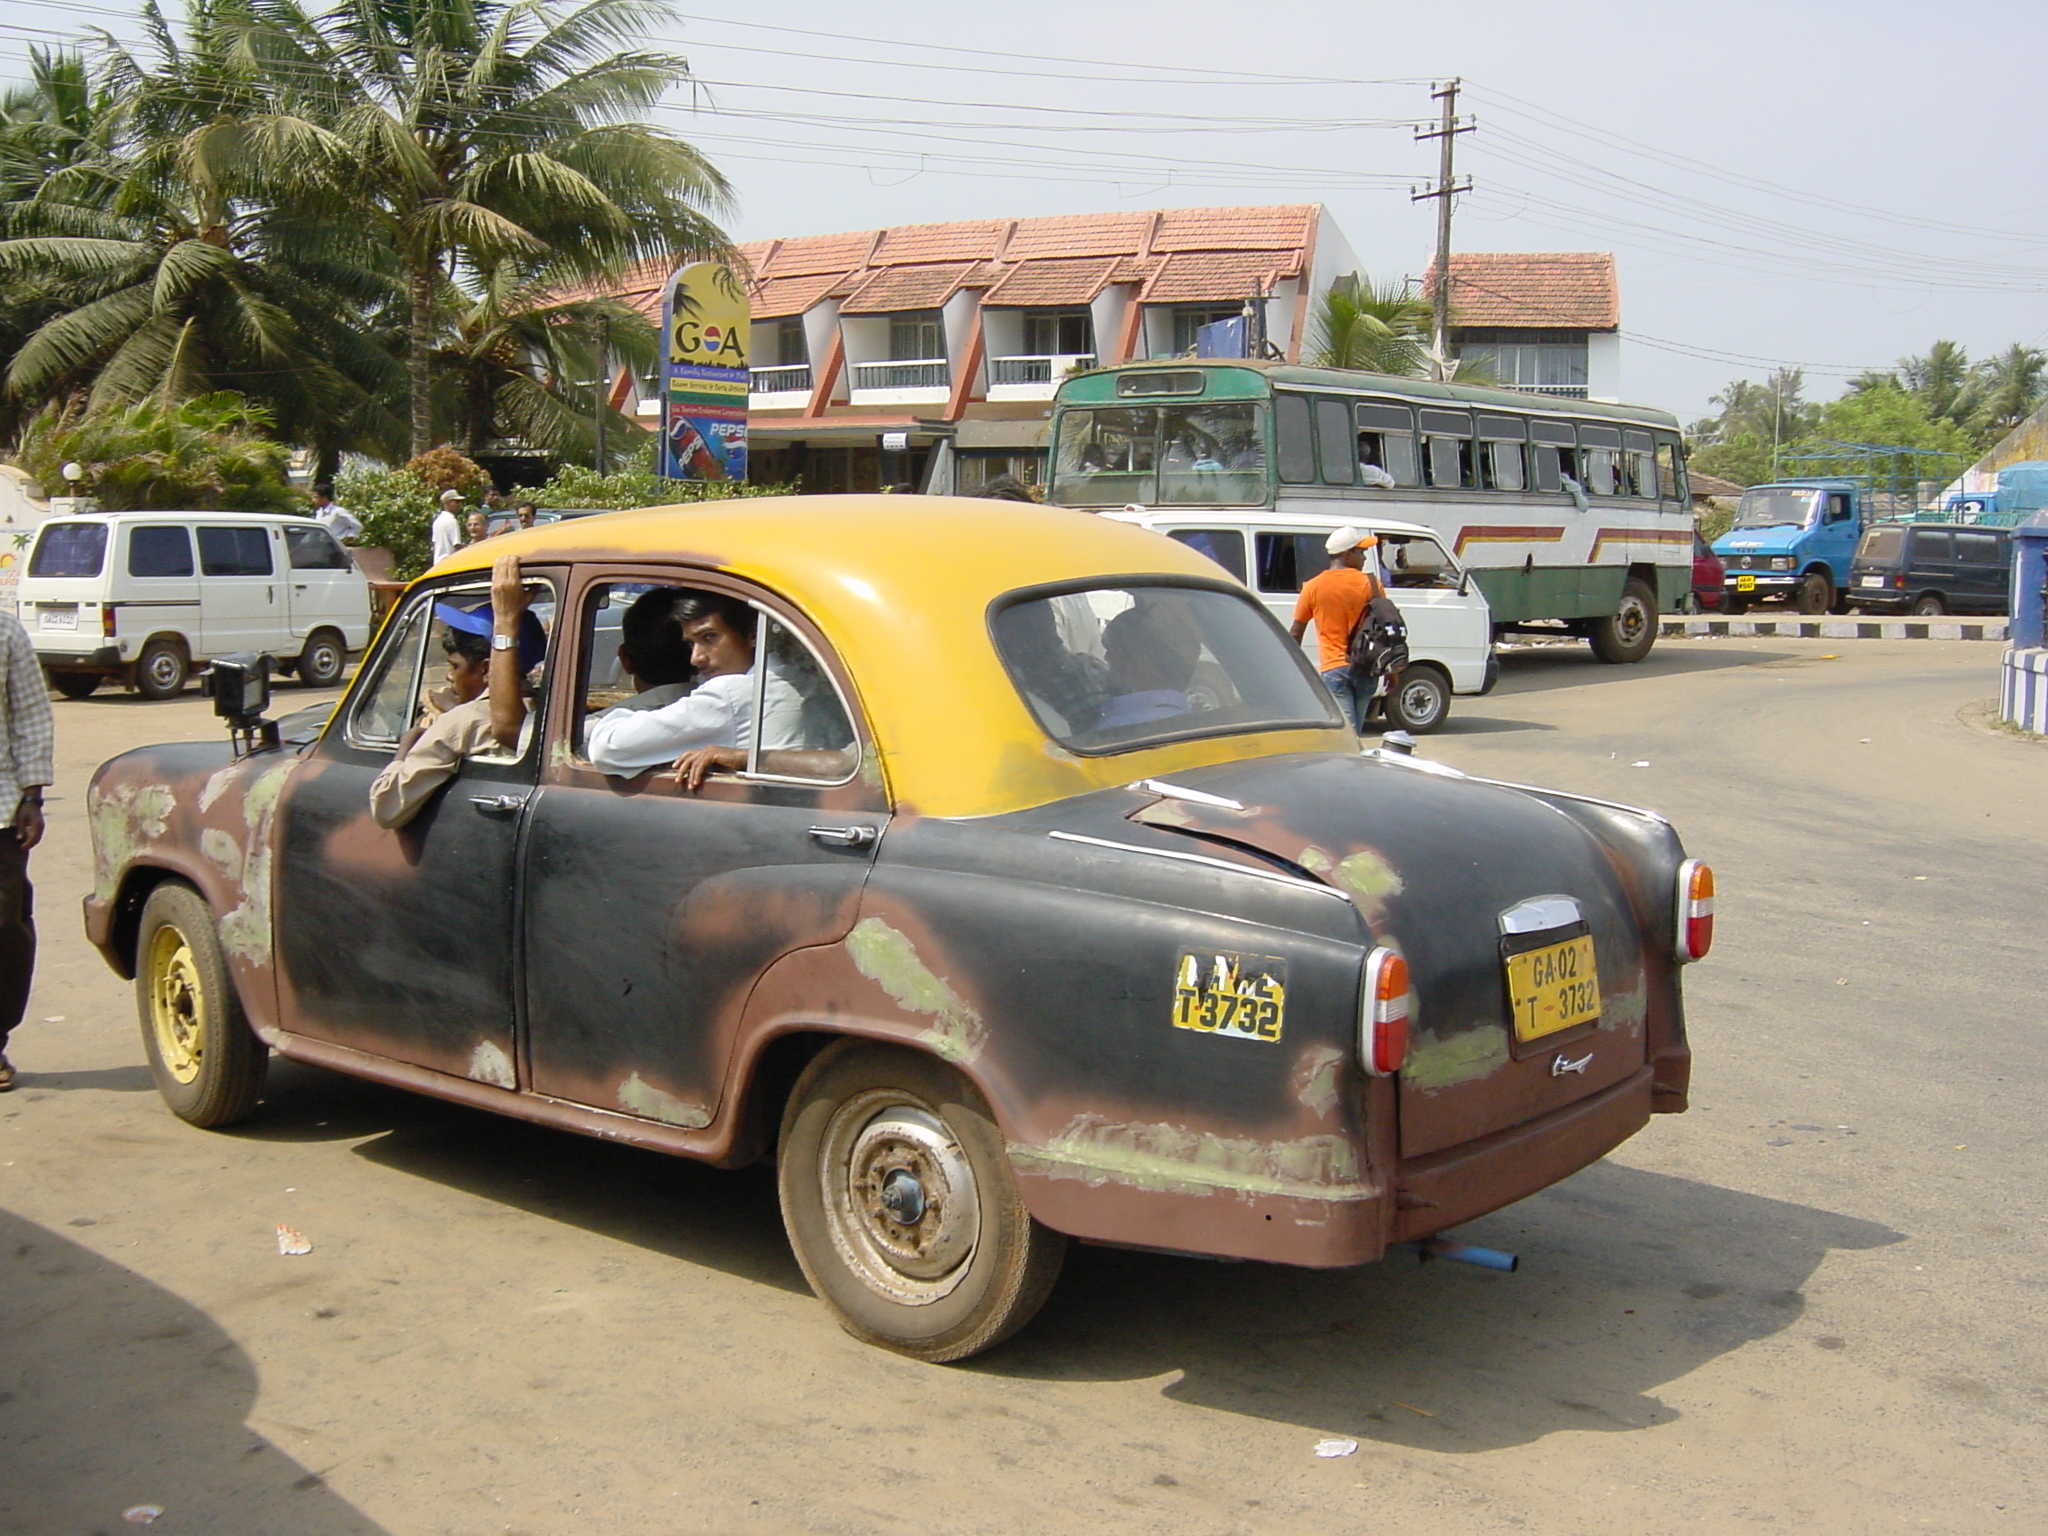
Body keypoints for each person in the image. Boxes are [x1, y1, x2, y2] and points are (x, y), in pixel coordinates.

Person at [369, 554, 544, 830]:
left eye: (455, 666)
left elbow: (386, 807)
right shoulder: (542, 710)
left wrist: (410, 742)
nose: (449, 676)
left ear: (487, 670)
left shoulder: (462, 721)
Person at [583, 590, 800, 776]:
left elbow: (608, 747)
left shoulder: (729, 695)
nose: (696, 658)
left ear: (753, 635)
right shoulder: (800, 679)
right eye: (690, 644)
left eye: (709, 638)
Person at [0, 606, 55, 1091]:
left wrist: (32, 795)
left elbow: (31, 715)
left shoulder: (4, 630)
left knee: (5, 930)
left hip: (0, 808)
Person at [1289, 525, 1386, 732]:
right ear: (1347, 554)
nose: (1364, 558)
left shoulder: (1313, 587)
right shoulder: (1372, 584)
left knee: (1347, 732)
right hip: (1367, 667)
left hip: (1334, 669)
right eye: (1361, 552)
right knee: (1355, 731)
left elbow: (1296, 632)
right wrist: (1391, 669)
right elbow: (1385, 627)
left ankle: (1350, 760)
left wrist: (1293, 668)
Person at [1094, 602, 1200, 731]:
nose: (1106, 657)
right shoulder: (1189, 719)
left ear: (1142, 665)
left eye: (1113, 650)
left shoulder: (1119, 726)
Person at [431, 490, 465, 564]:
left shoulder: (437, 521)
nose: (459, 505)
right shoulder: (451, 521)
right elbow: (457, 545)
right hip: (449, 563)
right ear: (447, 503)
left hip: (438, 564)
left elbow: (434, 546)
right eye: (456, 502)